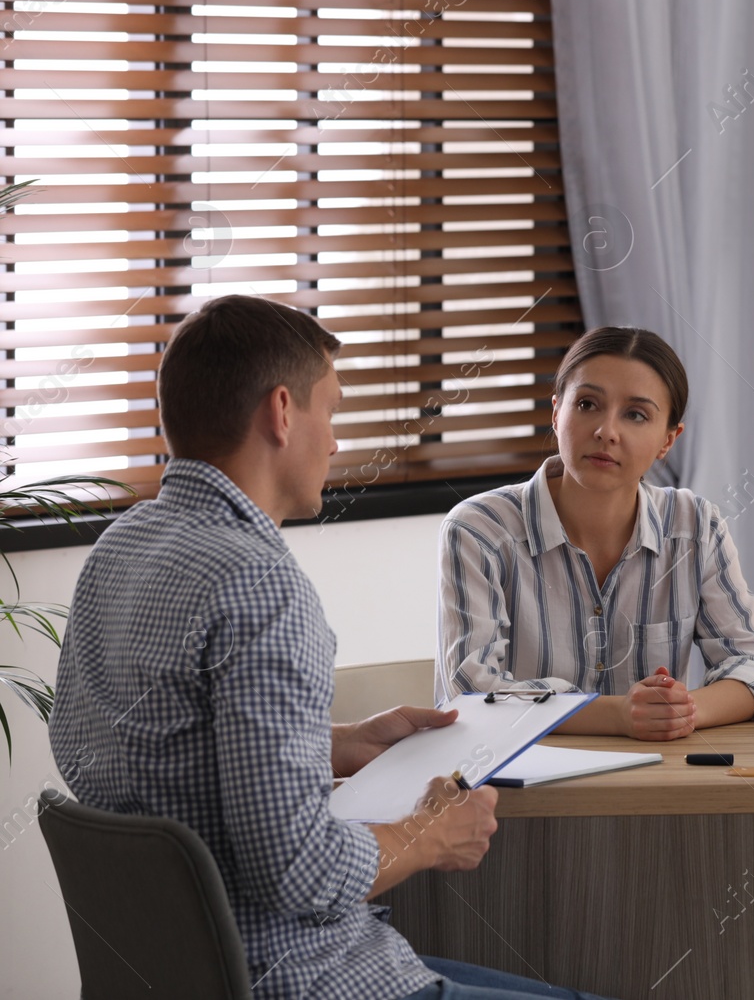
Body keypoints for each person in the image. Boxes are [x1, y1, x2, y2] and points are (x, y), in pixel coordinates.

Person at [49, 295, 609, 1000]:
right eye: (332, 411)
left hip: (179, 973)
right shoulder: (260, 587)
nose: (337, 441)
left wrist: (337, 742)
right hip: (309, 978)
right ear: (282, 412)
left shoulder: (120, 548)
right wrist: (430, 833)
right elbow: (299, 871)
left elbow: (115, 754)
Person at [436, 326, 754, 740]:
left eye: (636, 414)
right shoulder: (478, 531)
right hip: (515, 793)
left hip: (655, 784)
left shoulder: (695, 527)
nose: (606, 431)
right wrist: (619, 715)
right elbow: (472, 693)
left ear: (668, 440)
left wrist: (680, 711)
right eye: (587, 404)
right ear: (556, 413)